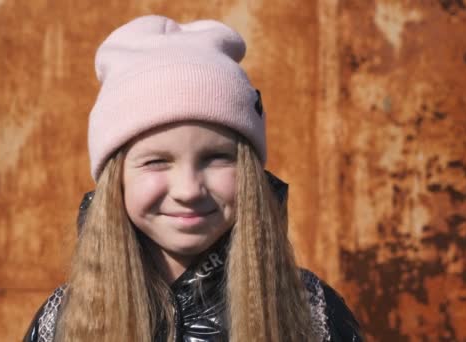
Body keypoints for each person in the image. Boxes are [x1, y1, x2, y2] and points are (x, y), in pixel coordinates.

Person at [22, 15, 362, 342]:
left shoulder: (312, 316)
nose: (188, 190)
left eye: (216, 158)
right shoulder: (62, 324)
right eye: (156, 161)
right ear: (116, 180)